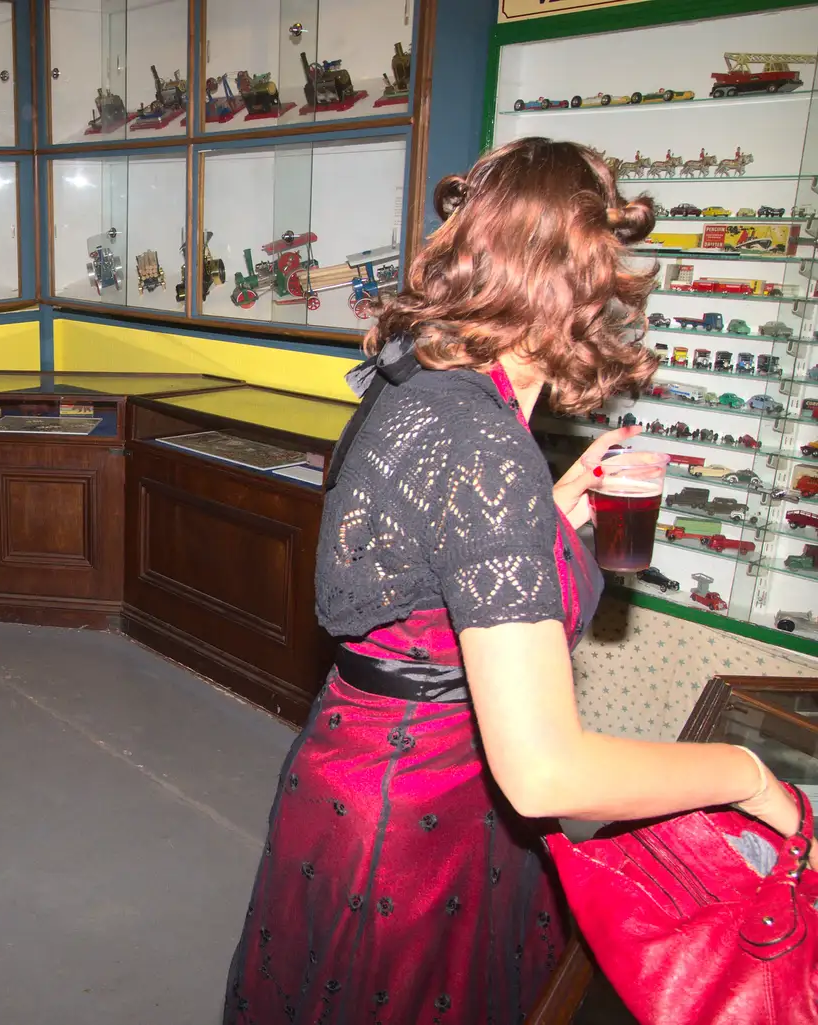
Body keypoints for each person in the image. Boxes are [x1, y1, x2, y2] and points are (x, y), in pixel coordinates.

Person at [222, 137, 807, 1024]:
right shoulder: (485, 441)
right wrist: (747, 775)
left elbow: (421, 564)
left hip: (365, 780)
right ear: (565, 283)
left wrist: (549, 507)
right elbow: (543, 771)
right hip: (417, 822)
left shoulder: (420, 377)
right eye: (605, 274)